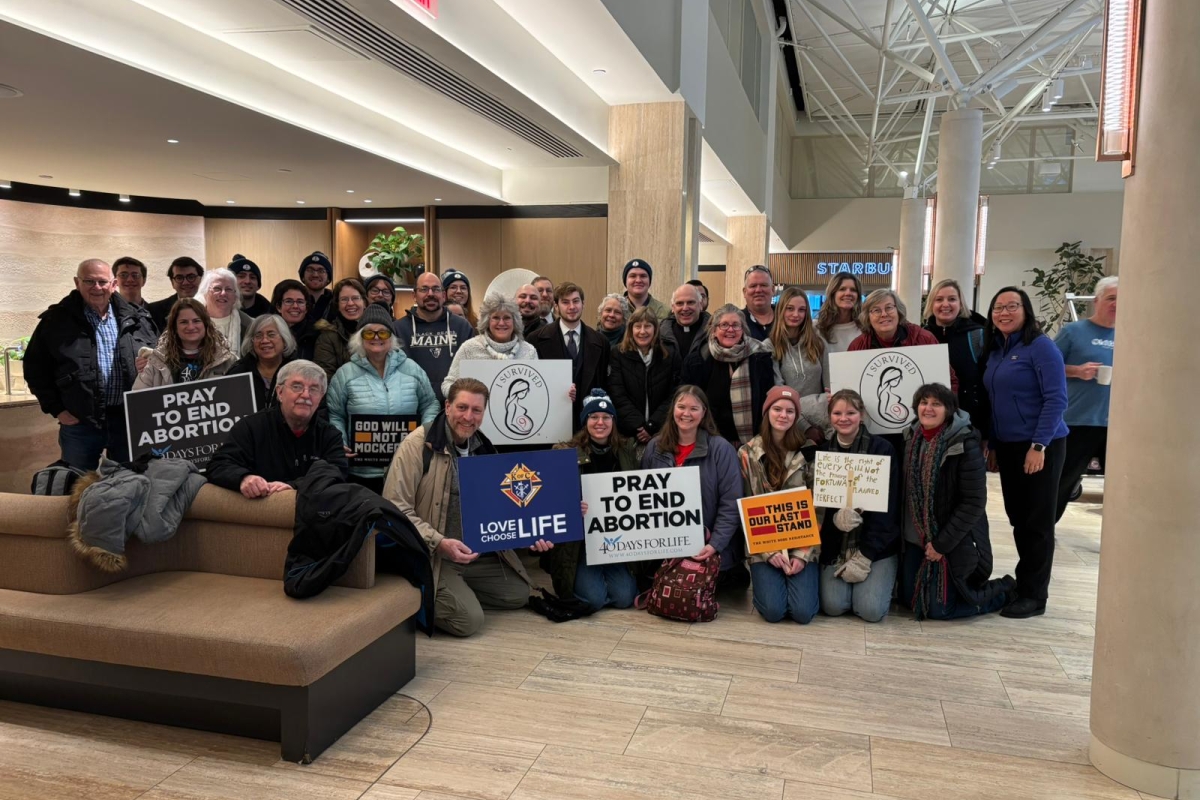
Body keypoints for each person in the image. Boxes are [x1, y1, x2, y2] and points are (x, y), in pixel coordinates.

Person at [382, 378, 531, 636]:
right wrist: (438, 542)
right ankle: (419, 593)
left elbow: (502, 506)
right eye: (462, 408)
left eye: (476, 410)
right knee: (468, 622)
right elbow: (395, 508)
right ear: (447, 406)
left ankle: (455, 589)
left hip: (473, 554)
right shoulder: (418, 445)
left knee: (519, 594)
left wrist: (535, 530)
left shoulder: (483, 448)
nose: (468, 417)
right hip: (434, 553)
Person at [981, 286, 1068, 619]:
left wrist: (1039, 445)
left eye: (1012, 306)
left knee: (1037, 521)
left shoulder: (1041, 347)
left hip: (1040, 445)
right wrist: (992, 443)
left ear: (1026, 310)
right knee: (1018, 518)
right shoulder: (995, 350)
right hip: (1007, 445)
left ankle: (1035, 595)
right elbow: (994, 403)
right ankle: (1023, 583)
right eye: (998, 307)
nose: (1004, 312)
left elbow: (1056, 400)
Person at [25, 259, 157, 470]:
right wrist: (57, 410)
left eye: (102, 282)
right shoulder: (56, 321)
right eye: (89, 281)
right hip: (80, 422)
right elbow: (35, 369)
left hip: (128, 421)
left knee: (131, 482)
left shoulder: (136, 318)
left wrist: (147, 364)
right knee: (76, 484)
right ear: (77, 283)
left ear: (113, 285)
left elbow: (158, 358)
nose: (97, 288)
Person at [899, 383, 1012, 620]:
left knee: (939, 611)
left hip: (953, 539)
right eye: (923, 402)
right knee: (910, 600)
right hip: (915, 537)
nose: (928, 408)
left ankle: (1002, 591)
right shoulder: (911, 438)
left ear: (949, 410)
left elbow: (973, 503)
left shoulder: (965, 443)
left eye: (936, 404)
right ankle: (953, 592)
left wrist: (941, 545)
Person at [542, 390, 640, 610]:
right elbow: (549, 498)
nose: (600, 422)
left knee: (624, 599)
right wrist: (570, 507)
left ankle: (604, 580)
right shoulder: (564, 452)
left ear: (613, 421)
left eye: (606, 417)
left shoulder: (627, 451)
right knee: (594, 600)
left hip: (616, 537)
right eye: (594, 416)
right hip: (580, 542)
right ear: (585, 420)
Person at [642, 386, 745, 591]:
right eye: (681, 407)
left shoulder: (721, 449)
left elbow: (731, 503)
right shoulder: (654, 447)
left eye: (694, 408)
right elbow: (643, 498)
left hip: (707, 545)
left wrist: (714, 544)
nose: (686, 414)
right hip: (664, 545)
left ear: (704, 412)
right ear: (673, 410)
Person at [328, 304, 439, 493]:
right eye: (369, 333)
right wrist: (341, 442)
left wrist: (424, 434)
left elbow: (430, 404)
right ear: (360, 338)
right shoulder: (344, 374)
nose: (377, 338)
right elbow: (335, 414)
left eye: (383, 333)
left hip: (406, 466)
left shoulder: (412, 369)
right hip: (362, 473)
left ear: (392, 338)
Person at [816, 389, 901, 622]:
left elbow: (889, 512)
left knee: (870, 610)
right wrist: (834, 522)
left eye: (851, 412)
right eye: (837, 413)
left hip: (875, 544)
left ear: (861, 415)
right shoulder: (823, 452)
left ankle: (878, 576)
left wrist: (866, 556)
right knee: (833, 606)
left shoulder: (883, 449)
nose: (844, 418)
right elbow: (818, 509)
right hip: (835, 545)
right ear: (829, 416)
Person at [739, 386, 820, 624]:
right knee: (774, 612)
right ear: (767, 413)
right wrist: (767, 551)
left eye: (790, 411)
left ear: (796, 416)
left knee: (803, 613)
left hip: (802, 542)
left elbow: (818, 508)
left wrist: (803, 554)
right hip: (763, 545)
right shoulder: (747, 453)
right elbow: (743, 506)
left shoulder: (809, 451)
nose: (783, 415)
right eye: (777, 409)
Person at [208, 360, 348, 495]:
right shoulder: (250, 427)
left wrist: (294, 485)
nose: (306, 395)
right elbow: (218, 465)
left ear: (321, 397)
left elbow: (337, 473)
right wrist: (244, 478)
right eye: (297, 386)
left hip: (311, 513)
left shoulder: (330, 435)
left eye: (314, 389)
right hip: (259, 511)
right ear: (280, 392)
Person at [849, 289, 957, 454]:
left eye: (889, 308)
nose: (884, 314)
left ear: (898, 311)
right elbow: (850, 389)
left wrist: (941, 416)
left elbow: (950, 381)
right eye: (876, 310)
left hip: (921, 431)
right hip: (874, 433)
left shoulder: (924, 339)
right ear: (868, 317)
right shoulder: (858, 346)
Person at [1054, 276, 1117, 520]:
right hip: (1077, 420)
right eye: (1111, 298)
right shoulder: (1073, 332)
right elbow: (1046, 367)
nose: (1116, 304)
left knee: (1122, 484)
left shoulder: (1132, 335)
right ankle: (1047, 528)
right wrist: (1077, 371)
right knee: (1063, 480)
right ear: (1097, 300)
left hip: (1116, 424)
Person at [679, 303, 776, 449]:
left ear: (743, 330)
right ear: (713, 330)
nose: (730, 330)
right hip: (709, 442)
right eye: (724, 325)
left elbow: (767, 399)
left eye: (736, 325)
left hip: (754, 442)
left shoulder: (760, 357)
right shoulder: (697, 361)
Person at [529, 282, 609, 430]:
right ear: (556, 306)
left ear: (583, 304)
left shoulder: (601, 342)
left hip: (588, 424)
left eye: (576, 301)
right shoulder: (535, 340)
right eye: (565, 302)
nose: (572, 307)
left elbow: (604, 384)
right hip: (550, 423)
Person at [395, 271, 475, 406]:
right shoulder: (398, 329)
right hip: (413, 405)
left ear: (443, 295)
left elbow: (472, 369)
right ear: (414, 295)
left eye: (436, 289)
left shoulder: (462, 326)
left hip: (453, 405)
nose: (430, 294)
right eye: (424, 289)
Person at [441, 292, 539, 397]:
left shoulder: (529, 351)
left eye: (506, 318)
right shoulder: (468, 348)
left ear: (515, 322)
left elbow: (537, 389)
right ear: (487, 321)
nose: (501, 323)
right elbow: (448, 384)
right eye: (496, 317)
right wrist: (465, 397)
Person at [608, 306, 678, 447]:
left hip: (662, 432)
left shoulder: (669, 354)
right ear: (630, 329)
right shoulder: (618, 354)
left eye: (648, 326)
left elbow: (674, 394)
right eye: (637, 326)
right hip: (627, 434)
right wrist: (639, 426)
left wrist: (652, 425)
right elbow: (617, 394)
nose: (642, 331)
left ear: (655, 329)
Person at [923, 279, 988, 429]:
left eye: (952, 299)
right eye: (939, 299)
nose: (945, 304)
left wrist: (986, 431)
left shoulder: (977, 335)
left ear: (960, 303)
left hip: (970, 423)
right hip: (931, 423)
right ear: (932, 304)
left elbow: (986, 387)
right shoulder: (922, 336)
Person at [133, 299, 236, 388]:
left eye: (196, 321)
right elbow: (139, 402)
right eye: (184, 322)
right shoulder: (155, 362)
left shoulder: (227, 360)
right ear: (174, 327)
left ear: (205, 324)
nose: (191, 327)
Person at [769, 287, 828, 442]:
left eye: (801, 310)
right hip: (788, 424)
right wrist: (805, 427)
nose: (796, 314)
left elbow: (829, 390)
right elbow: (778, 394)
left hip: (821, 423)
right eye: (790, 309)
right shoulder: (770, 346)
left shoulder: (818, 343)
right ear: (781, 310)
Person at [227, 314, 296, 411]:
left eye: (271, 334)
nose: (264, 340)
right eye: (258, 336)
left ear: (284, 339)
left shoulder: (299, 372)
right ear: (251, 342)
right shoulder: (238, 373)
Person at [313, 278, 367, 379]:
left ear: (364, 302)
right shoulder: (327, 337)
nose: (350, 303)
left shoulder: (376, 332)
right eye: (344, 299)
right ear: (337, 305)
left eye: (355, 298)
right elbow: (324, 378)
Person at [198, 267, 253, 356]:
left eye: (228, 289)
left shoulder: (250, 325)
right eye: (217, 288)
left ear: (235, 297)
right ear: (205, 293)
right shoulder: (191, 323)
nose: (223, 293)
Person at [816, 273, 863, 367]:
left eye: (853, 290)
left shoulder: (865, 328)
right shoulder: (816, 328)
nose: (848, 293)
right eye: (842, 289)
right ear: (832, 294)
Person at [146, 256, 204, 332]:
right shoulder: (154, 311)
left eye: (191, 277)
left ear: (201, 279)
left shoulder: (213, 307)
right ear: (172, 283)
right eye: (179, 278)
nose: (185, 282)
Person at [659, 284, 710, 359]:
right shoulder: (660, 334)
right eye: (679, 303)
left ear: (700, 305)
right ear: (673, 307)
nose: (685, 308)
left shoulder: (713, 333)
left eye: (690, 302)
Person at [271, 279, 318, 360]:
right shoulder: (267, 332)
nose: (295, 306)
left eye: (300, 302)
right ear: (278, 307)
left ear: (306, 308)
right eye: (289, 301)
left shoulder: (317, 334)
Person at [229, 254, 273, 318]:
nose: (247, 281)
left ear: (258, 285)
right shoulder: (219, 311)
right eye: (241, 276)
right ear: (230, 283)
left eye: (252, 277)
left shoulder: (270, 314)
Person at [742, 265, 776, 341]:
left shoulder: (786, 318)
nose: (758, 290)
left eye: (764, 285)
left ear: (773, 290)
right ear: (744, 292)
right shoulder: (736, 321)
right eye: (753, 286)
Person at [298, 251, 334, 323]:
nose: (315, 275)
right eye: (310, 270)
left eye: (321, 271)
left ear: (328, 278)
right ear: (302, 277)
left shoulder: (336, 302)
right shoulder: (292, 301)